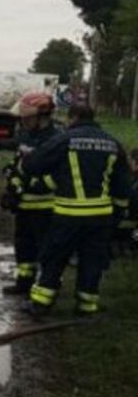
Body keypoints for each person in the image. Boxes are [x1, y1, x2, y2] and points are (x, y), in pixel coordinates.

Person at [22, 104, 132, 316]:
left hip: (68, 214)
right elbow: (123, 185)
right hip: (100, 217)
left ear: (73, 118)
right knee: (92, 261)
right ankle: (86, 307)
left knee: (54, 257)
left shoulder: (65, 140)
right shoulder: (112, 143)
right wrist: (117, 214)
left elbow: (33, 165)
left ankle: (40, 304)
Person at [0, 93, 60, 295]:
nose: (23, 121)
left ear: (42, 116)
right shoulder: (26, 136)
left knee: (45, 250)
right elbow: (18, 163)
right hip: (24, 206)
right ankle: (24, 282)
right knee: (23, 246)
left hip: (45, 208)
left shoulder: (56, 140)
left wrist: (30, 185)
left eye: (27, 117)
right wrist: (12, 187)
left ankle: (45, 287)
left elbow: (58, 176)